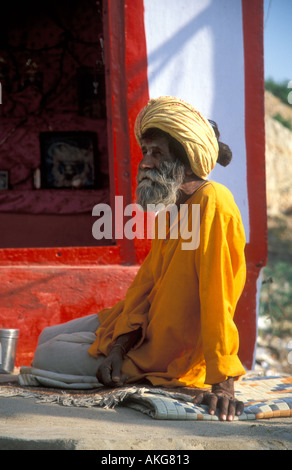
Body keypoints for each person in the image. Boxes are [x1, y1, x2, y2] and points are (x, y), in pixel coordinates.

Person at [19, 96, 246, 421]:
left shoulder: (215, 204)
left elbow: (218, 298)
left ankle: (135, 373)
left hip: (169, 352)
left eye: (157, 153)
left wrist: (223, 384)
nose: (145, 163)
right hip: (141, 327)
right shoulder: (171, 210)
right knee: (46, 337)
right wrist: (117, 347)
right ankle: (115, 355)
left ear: (183, 159)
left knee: (44, 354)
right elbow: (145, 287)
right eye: (145, 153)